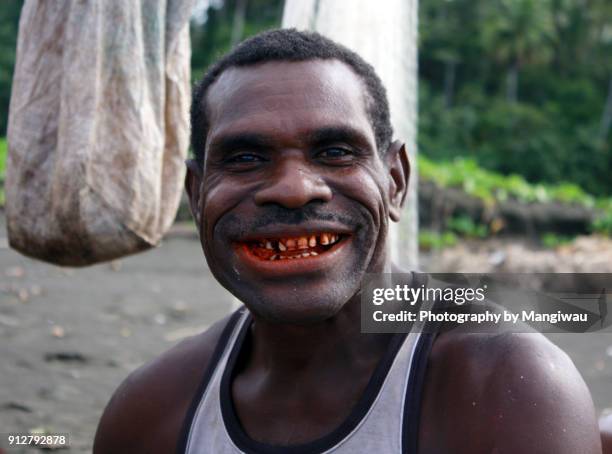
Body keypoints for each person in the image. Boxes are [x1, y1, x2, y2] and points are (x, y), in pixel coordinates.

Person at [93, 29, 602, 453]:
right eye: (245, 158)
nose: (294, 189)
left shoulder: (506, 387)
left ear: (396, 181)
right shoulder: (153, 409)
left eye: (335, 151)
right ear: (196, 194)